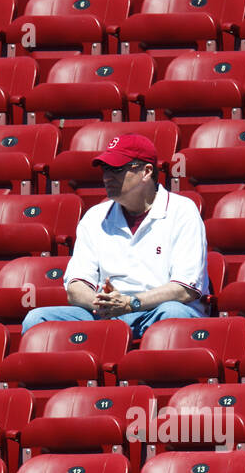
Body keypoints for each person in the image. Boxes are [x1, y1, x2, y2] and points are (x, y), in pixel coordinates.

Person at [20, 133, 209, 338]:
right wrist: (102, 303)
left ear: (146, 172)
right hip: (108, 314)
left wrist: (130, 303)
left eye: (117, 170)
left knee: (174, 312)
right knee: (37, 319)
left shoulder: (182, 210)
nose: (107, 177)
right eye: (105, 169)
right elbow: (75, 288)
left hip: (157, 310)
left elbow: (185, 289)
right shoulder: (95, 216)